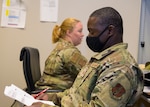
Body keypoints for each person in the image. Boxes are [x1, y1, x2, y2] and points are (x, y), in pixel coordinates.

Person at [26, 7, 144, 107]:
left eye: (92, 32)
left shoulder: (120, 68)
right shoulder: (102, 59)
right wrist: (51, 97)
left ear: (110, 31)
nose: (88, 36)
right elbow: (75, 93)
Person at [35, 18, 87, 90]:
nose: (82, 34)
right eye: (79, 31)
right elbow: (89, 74)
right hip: (55, 95)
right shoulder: (70, 52)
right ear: (68, 32)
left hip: (45, 92)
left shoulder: (59, 48)